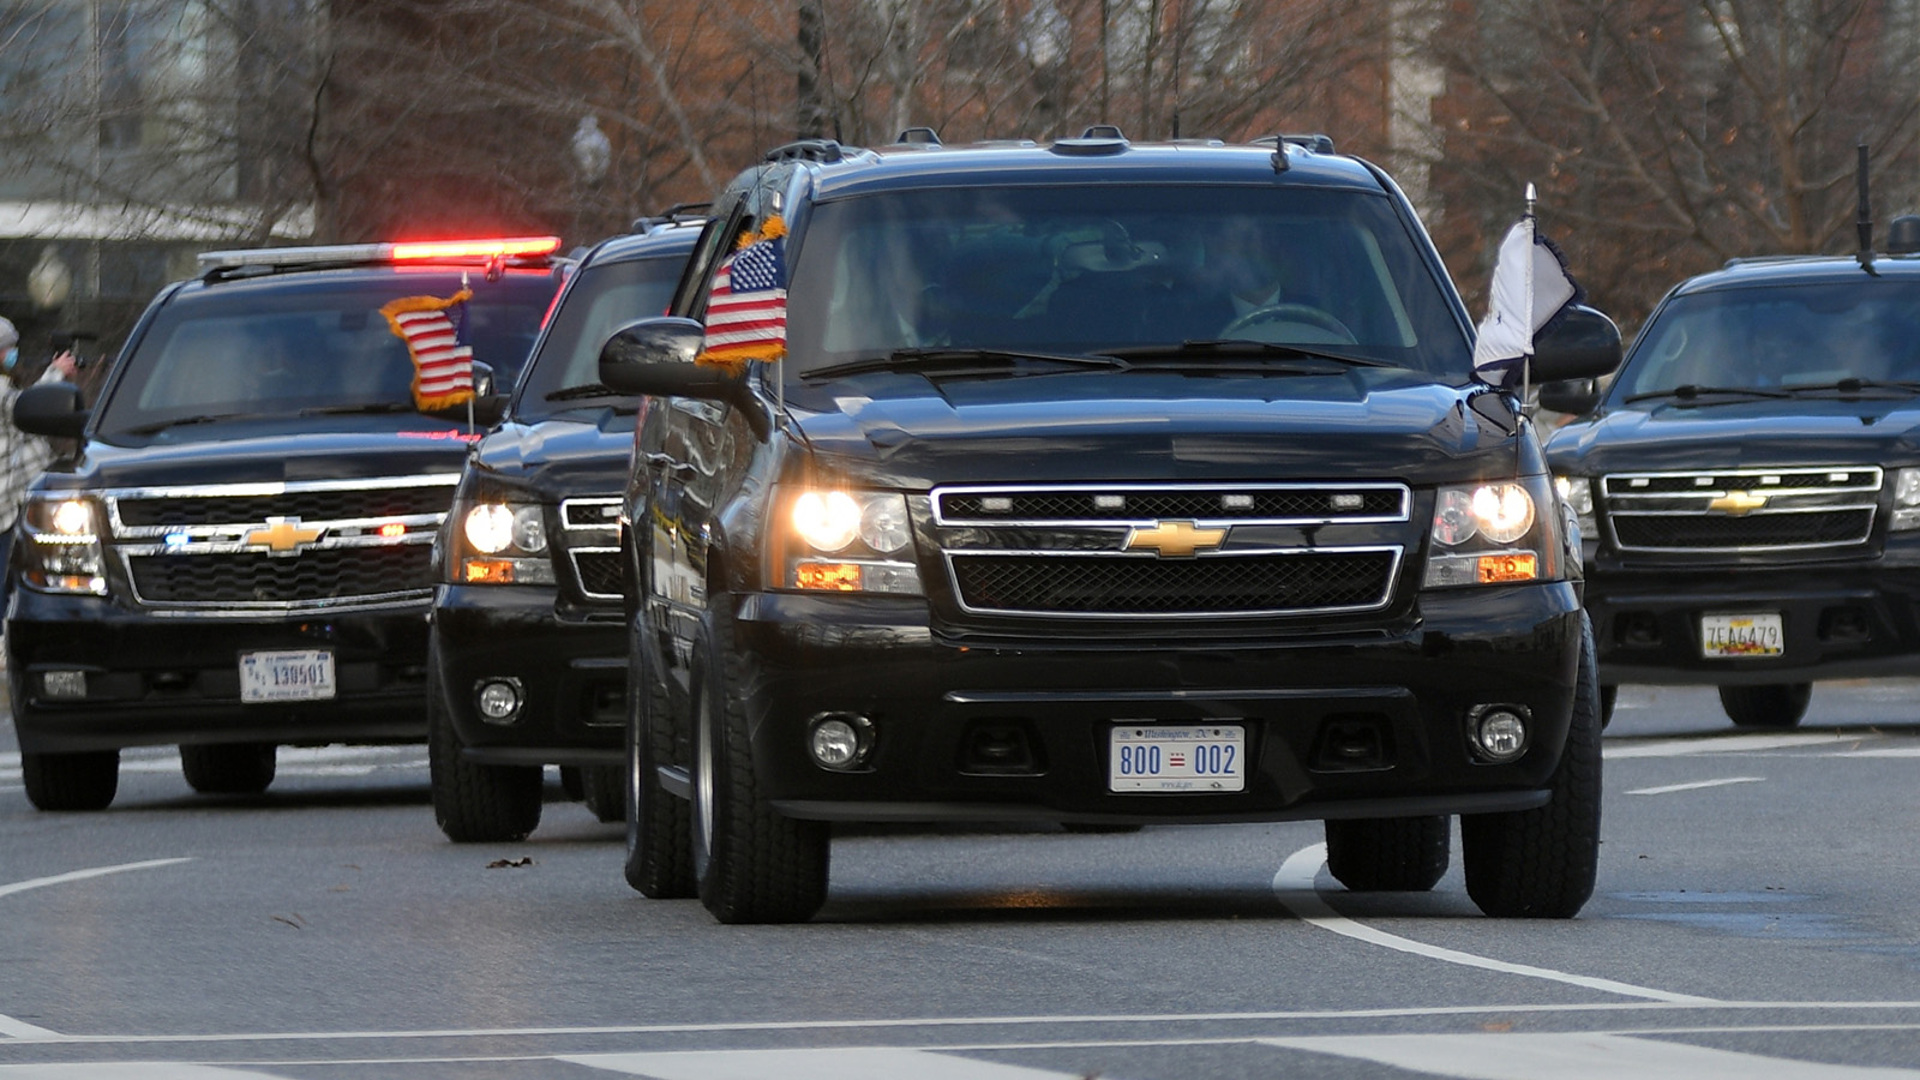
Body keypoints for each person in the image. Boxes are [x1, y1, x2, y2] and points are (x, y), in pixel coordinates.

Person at [0, 316, 78, 574]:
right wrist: (56, 372)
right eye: (8, 348)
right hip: (5, 510)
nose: (13, 353)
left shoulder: (7, 386)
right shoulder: (2, 392)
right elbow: (27, 408)